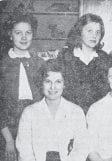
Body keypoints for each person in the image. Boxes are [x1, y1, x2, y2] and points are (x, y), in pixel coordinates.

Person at [16, 60, 87, 161]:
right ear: (41, 83)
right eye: (48, 81)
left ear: (64, 84)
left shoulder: (76, 111)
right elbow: (24, 150)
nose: (53, 87)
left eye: (58, 82)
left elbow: (81, 148)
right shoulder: (29, 112)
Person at [0, 11, 44, 161]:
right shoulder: (2, 65)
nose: (24, 37)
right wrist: (9, 140)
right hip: (7, 130)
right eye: (18, 33)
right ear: (10, 35)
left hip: (36, 128)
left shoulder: (40, 63)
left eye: (28, 33)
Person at [57, 13, 110, 113]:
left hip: (98, 114)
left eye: (98, 32)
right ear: (79, 31)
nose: (94, 36)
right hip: (70, 114)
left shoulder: (104, 58)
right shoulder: (66, 56)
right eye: (90, 31)